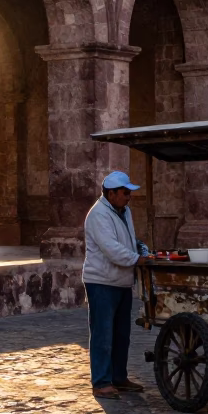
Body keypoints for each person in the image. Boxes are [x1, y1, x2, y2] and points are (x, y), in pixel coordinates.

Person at [83, 171, 150, 400]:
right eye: (125, 192)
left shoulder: (124, 211)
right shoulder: (98, 215)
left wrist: (138, 248)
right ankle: (101, 381)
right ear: (111, 193)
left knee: (122, 334)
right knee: (103, 333)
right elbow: (111, 249)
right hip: (101, 281)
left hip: (121, 281)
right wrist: (135, 259)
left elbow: (126, 241)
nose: (128, 197)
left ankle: (119, 376)